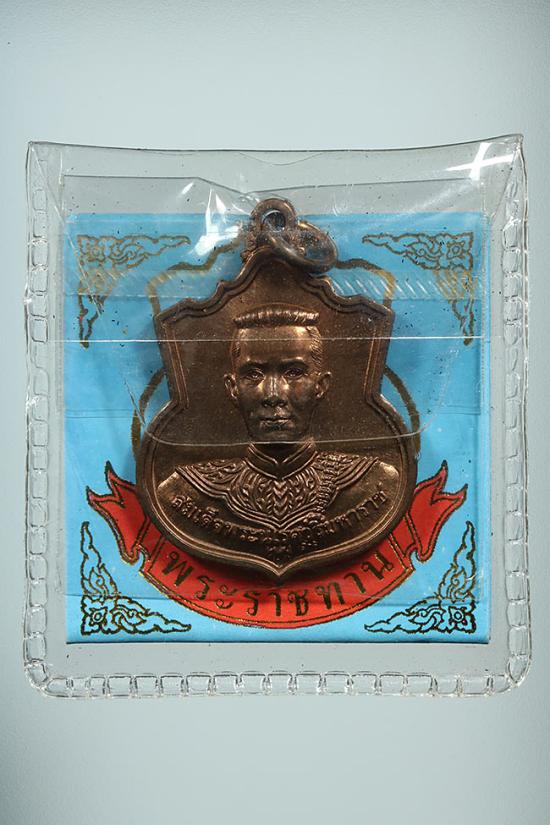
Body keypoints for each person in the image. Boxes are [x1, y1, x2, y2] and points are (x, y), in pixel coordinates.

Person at [157, 305, 399, 564]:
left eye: (294, 373)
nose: (273, 394)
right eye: (253, 374)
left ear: (320, 386)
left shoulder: (376, 481)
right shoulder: (183, 489)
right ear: (233, 388)